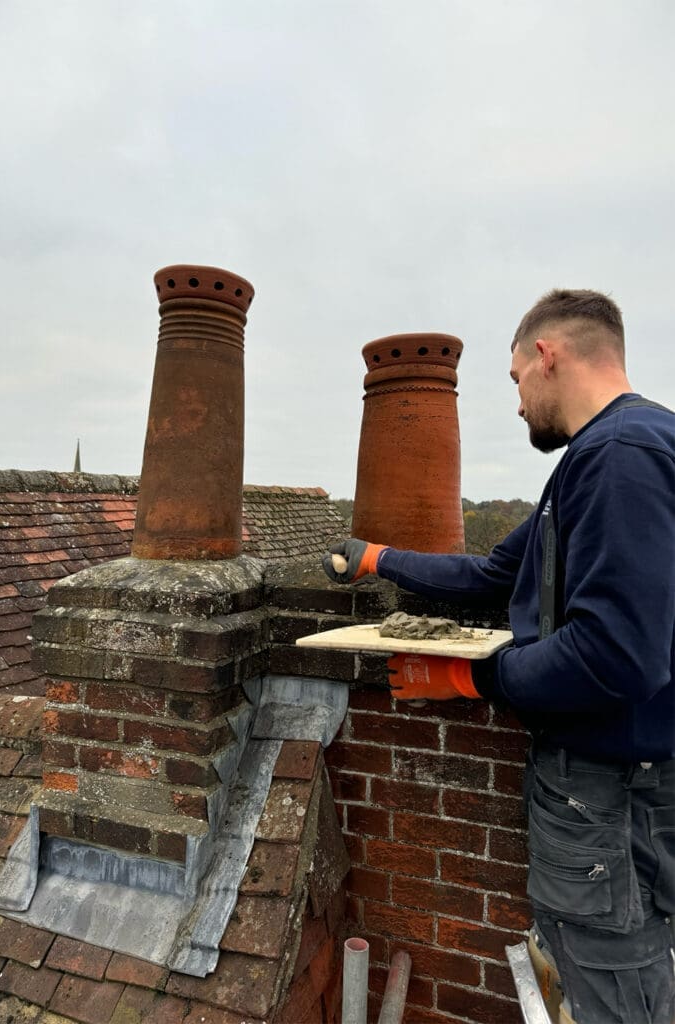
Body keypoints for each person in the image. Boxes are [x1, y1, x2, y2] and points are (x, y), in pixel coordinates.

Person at [323, 289, 675, 1024]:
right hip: (623, 785)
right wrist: (376, 558)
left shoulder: (620, 456)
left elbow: (614, 654)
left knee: (616, 990)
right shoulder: (600, 457)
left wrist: (469, 676)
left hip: (614, 796)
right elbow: (490, 575)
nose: (516, 405)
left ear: (545, 356)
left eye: (514, 379)